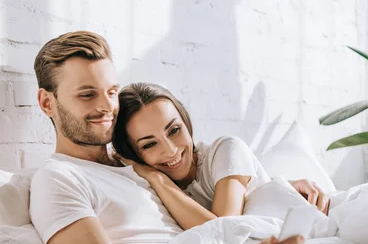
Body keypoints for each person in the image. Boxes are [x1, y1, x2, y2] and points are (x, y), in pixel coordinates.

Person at [29, 31, 307, 244]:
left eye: (111, 92)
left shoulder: (139, 164)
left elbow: (214, 191)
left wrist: (281, 186)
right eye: (87, 95)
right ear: (47, 103)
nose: (107, 107)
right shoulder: (59, 179)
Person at [111, 82, 330, 228]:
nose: (170, 150)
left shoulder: (226, 149)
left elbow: (222, 229)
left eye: (174, 130)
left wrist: (157, 178)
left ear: (185, 122)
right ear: (134, 153)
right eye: (149, 144)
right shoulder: (144, 187)